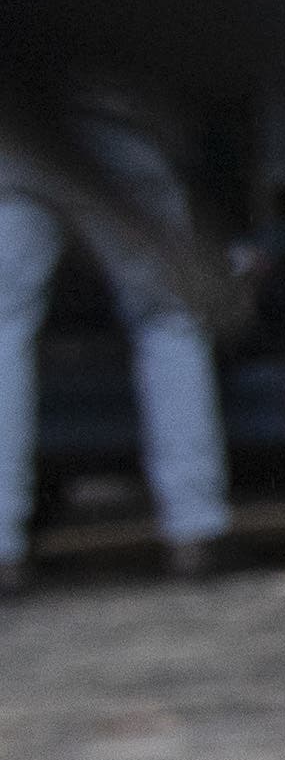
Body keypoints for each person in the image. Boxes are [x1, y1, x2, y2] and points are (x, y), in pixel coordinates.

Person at [0, 97, 234, 593]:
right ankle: (194, 528)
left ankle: (3, 546)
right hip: (114, 119)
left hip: (15, 130)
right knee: (168, 319)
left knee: (3, 330)